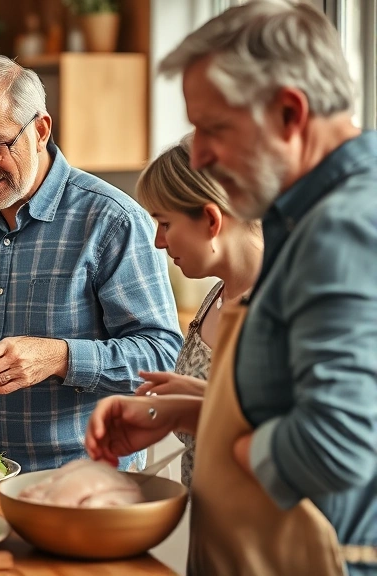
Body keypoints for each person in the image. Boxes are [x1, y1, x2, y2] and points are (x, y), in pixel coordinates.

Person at [85, 2, 376, 574]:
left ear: (290, 113)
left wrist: (219, 440)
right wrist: (184, 411)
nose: (200, 157)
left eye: (214, 128)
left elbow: (331, 447)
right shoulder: (309, 216)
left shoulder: (341, 226)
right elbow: (283, 409)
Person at [0, 55, 183, 473]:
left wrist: (60, 357)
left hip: (86, 482)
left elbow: (162, 355)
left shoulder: (111, 220)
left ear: (40, 130)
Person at [133, 135, 262, 487]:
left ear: (210, 220)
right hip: (211, 529)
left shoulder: (280, 309)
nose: (159, 241)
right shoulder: (214, 298)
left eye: (165, 223)